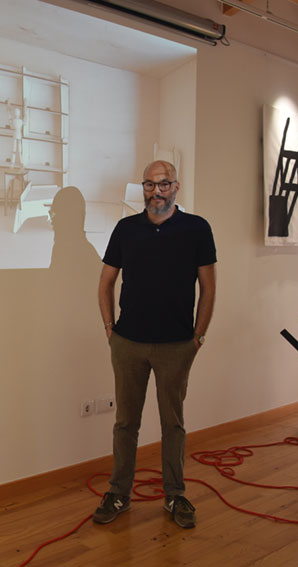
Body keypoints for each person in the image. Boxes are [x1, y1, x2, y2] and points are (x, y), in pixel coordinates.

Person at [93, 160, 216, 529]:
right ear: (143, 189)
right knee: (125, 423)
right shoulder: (126, 229)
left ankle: (175, 495)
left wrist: (198, 336)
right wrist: (110, 330)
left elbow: (208, 288)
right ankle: (119, 493)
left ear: (176, 187)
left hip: (177, 345)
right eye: (149, 184)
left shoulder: (197, 229)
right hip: (128, 343)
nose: (156, 191)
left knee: (172, 423)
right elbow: (105, 283)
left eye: (163, 184)